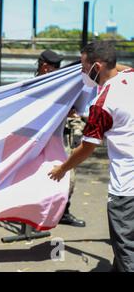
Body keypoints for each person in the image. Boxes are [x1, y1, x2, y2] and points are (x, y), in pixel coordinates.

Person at [48, 41, 134, 272]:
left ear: (97, 66)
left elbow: (86, 148)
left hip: (126, 189)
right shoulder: (131, 79)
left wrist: (62, 169)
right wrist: (109, 64)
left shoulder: (102, 104)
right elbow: (122, 69)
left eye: (84, 66)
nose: (82, 72)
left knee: (126, 249)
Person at [36, 49, 86, 227]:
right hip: (40, 140)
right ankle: (37, 214)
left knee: (68, 175)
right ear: (45, 67)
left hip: (59, 137)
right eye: (55, 66)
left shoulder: (59, 82)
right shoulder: (36, 85)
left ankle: (63, 211)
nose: (59, 69)